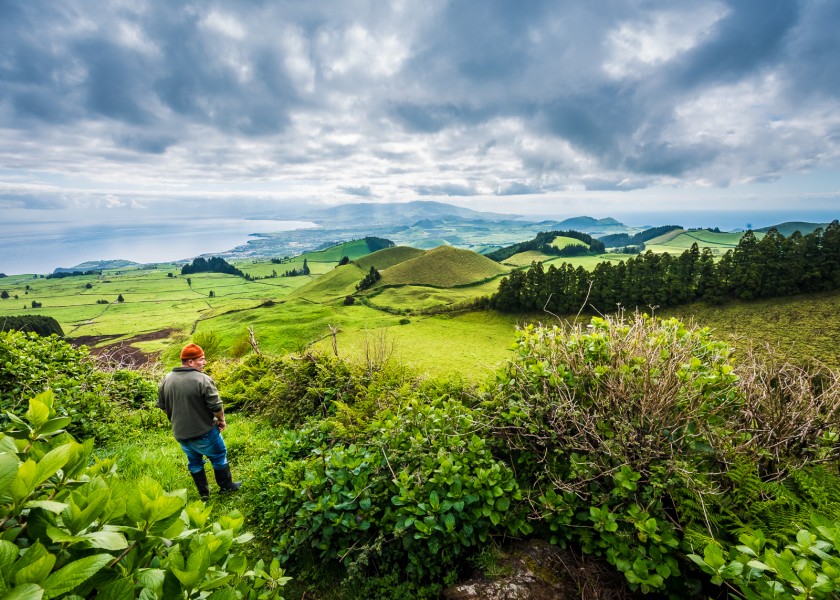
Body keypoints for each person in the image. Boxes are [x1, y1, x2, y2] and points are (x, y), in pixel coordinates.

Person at [157, 342, 241, 500]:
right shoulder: (202, 379)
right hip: (204, 431)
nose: (205, 362)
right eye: (201, 359)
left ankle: (204, 494)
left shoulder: (167, 379)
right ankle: (226, 487)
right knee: (219, 455)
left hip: (181, 434)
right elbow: (216, 406)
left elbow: (163, 406)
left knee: (194, 461)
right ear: (190, 362)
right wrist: (221, 420)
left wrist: (176, 419)